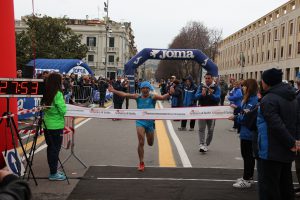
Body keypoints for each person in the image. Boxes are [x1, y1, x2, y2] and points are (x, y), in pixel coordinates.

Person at [257, 68, 300, 200]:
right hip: (286, 150)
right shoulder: (291, 96)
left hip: (271, 151)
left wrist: (291, 142)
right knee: (285, 187)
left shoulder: (269, 99)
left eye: (262, 79)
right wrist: (295, 141)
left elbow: (276, 125)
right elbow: (296, 121)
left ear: (267, 81)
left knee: (269, 189)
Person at [108, 81, 170, 172]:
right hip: (140, 122)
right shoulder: (138, 97)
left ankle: (151, 134)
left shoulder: (153, 97)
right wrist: (113, 90)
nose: (145, 90)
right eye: (143, 88)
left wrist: (170, 93)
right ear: (141, 89)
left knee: (150, 143)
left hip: (150, 123)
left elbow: (163, 97)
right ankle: (141, 163)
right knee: (141, 141)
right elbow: (125, 94)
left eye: (146, 88)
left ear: (149, 89)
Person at [229, 79, 258, 188]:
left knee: (248, 156)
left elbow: (247, 117)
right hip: (245, 132)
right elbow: (243, 112)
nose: (243, 88)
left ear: (249, 87)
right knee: (246, 155)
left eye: (244, 86)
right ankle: (248, 177)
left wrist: (236, 118)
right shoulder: (248, 98)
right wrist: (237, 110)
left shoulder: (253, 100)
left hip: (249, 133)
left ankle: (247, 179)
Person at [42, 72, 67, 181]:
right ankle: (53, 173)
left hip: (47, 124)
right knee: (55, 149)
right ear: (57, 81)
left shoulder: (46, 92)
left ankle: (54, 170)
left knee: (50, 148)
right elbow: (63, 110)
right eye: (61, 79)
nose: (62, 81)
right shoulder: (58, 94)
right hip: (56, 125)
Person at [195, 73, 221, 153]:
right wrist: (201, 94)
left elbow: (218, 98)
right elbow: (195, 96)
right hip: (202, 110)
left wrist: (211, 94)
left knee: (211, 130)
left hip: (212, 111)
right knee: (201, 128)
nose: (207, 80)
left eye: (209, 78)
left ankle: (206, 144)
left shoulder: (216, 87)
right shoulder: (201, 86)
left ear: (212, 79)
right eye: (206, 78)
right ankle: (202, 144)